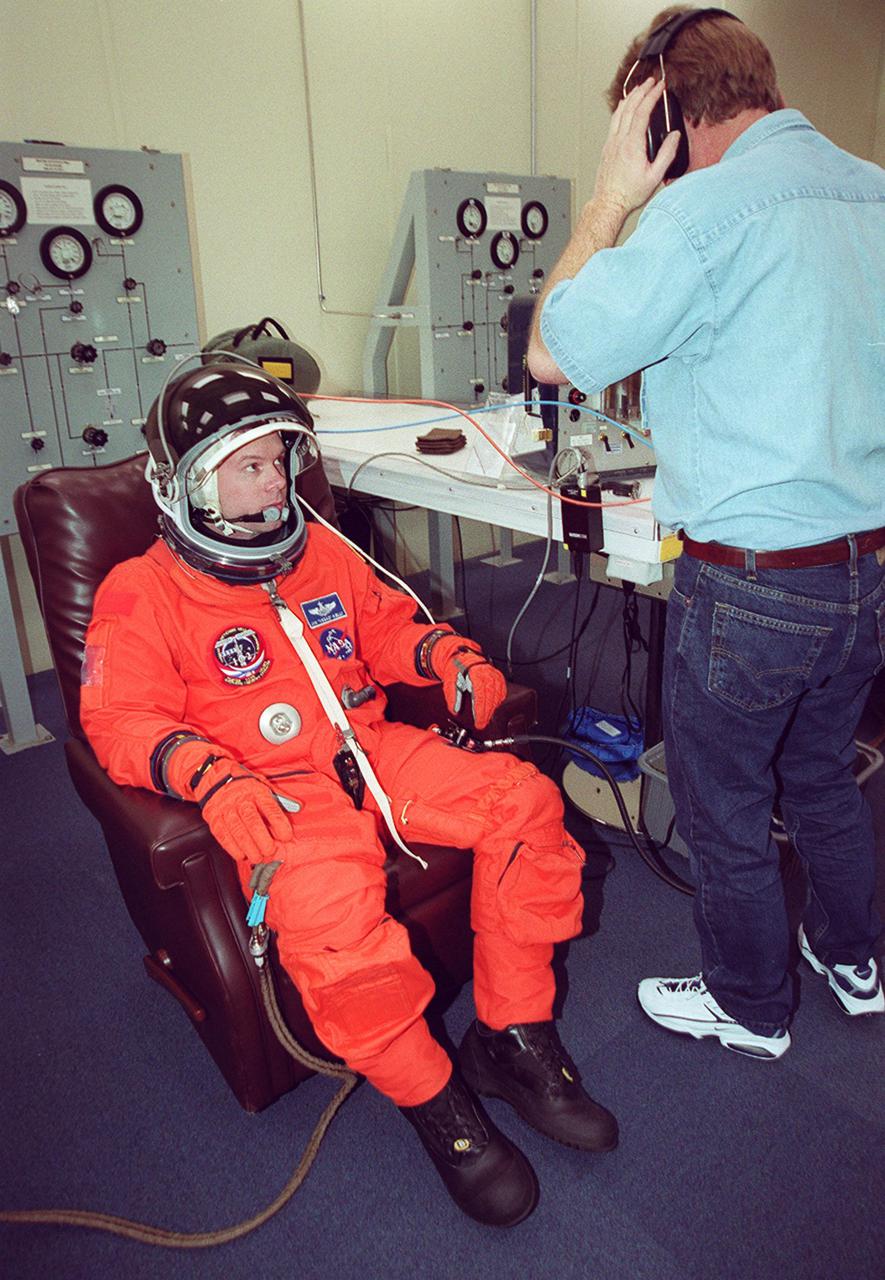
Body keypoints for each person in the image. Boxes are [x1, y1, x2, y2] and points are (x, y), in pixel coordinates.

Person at [80, 361, 618, 1228]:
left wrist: (443, 659)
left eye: (279, 460)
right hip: (274, 790)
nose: (275, 482)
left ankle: (510, 1041)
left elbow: (387, 628)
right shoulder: (140, 592)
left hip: (372, 748)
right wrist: (206, 773)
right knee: (333, 919)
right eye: (248, 465)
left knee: (523, 805)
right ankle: (438, 1104)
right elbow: (117, 720)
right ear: (186, 483)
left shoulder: (319, 545)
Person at [528, 6, 885, 1058]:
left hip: (754, 585)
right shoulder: (874, 192)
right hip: (867, 572)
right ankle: (856, 959)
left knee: (724, 801)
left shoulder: (702, 217)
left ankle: (749, 1003)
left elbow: (554, 352)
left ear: (664, 117)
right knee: (821, 774)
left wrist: (608, 203)